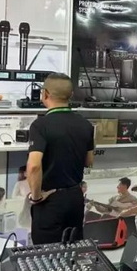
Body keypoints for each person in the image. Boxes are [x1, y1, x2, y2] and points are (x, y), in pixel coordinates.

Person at [27, 73, 94, 244]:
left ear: (45, 94)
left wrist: (36, 197)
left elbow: (34, 166)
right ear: (71, 95)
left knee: (46, 252)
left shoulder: (40, 125)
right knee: (73, 249)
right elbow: (89, 161)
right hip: (75, 198)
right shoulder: (85, 124)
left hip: (50, 200)